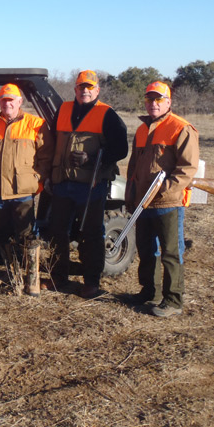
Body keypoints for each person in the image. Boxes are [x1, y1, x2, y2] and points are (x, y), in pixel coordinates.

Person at [43, 70, 128, 298]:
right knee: (57, 231)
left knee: (90, 233)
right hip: (63, 183)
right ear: (75, 89)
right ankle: (58, 277)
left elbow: (121, 149)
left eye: (90, 87)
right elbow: (52, 142)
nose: (85, 91)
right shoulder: (63, 109)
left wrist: (91, 159)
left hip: (90, 185)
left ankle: (91, 281)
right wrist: (49, 174)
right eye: (82, 87)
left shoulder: (107, 114)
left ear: (97, 90)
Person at [126, 81, 199, 317]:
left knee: (170, 252)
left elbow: (188, 168)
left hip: (168, 202)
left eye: (158, 99)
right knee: (146, 250)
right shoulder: (141, 130)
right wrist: (131, 194)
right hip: (143, 202)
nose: (153, 104)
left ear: (169, 102)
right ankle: (150, 292)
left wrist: (165, 189)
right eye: (149, 99)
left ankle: (174, 300)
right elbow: (134, 167)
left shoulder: (181, 127)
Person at [0, 84, 54, 272]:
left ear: (20, 101)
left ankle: (31, 274)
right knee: (1, 234)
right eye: (3, 100)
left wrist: (36, 180)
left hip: (22, 192)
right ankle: (11, 272)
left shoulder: (36, 124)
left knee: (27, 235)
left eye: (11, 100)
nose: (7, 103)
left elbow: (47, 156)